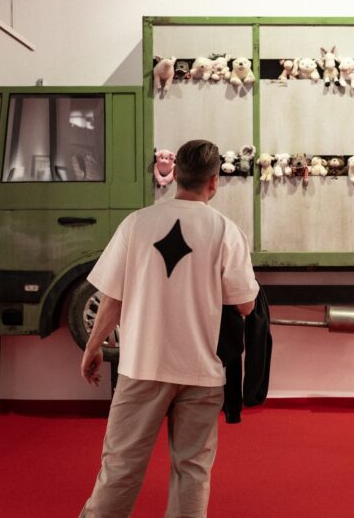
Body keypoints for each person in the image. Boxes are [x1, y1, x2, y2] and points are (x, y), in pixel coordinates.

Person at [79, 139, 258, 517]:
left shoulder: (137, 223)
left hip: (142, 366)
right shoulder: (226, 231)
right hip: (201, 372)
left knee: (121, 467)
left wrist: (93, 346)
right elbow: (244, 305)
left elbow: (112, 297)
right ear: (214, 181)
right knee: (192, 471)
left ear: (175, 174)